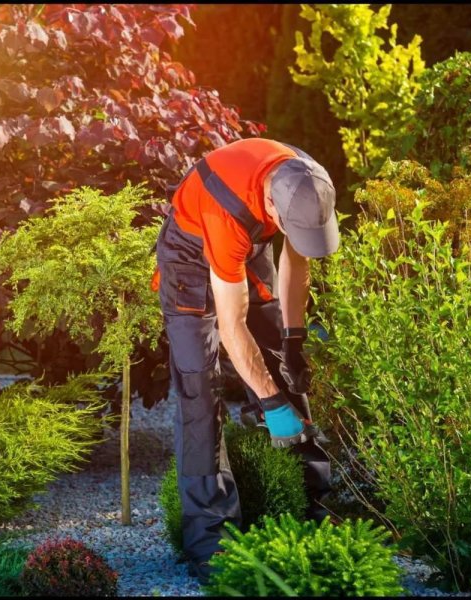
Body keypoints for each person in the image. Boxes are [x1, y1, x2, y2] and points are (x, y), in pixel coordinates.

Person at [153, 137, 339, 583]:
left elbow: (297, 269)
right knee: (201, 389)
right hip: (191, 255)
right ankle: (212, 540)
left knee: (279, 363)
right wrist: (271, 405)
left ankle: (310, 506)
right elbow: (232, 327)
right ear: (272, 211)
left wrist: (293, 342)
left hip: (247, 248)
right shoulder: (227, 210)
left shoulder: (308, 182)